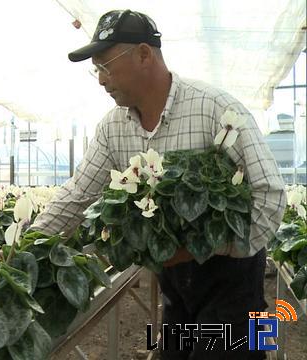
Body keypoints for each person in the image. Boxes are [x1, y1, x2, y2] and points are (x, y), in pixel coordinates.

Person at [30, 9, 287, 360]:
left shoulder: (215, 108)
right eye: (96, 69)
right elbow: (77, 195)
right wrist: (22, 248)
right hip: (173, 282)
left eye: (105, 64)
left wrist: (215, 246)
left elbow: (270, 195)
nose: (101, 79)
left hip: (235, 278)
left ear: (144, 54)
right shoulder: (112, 128)